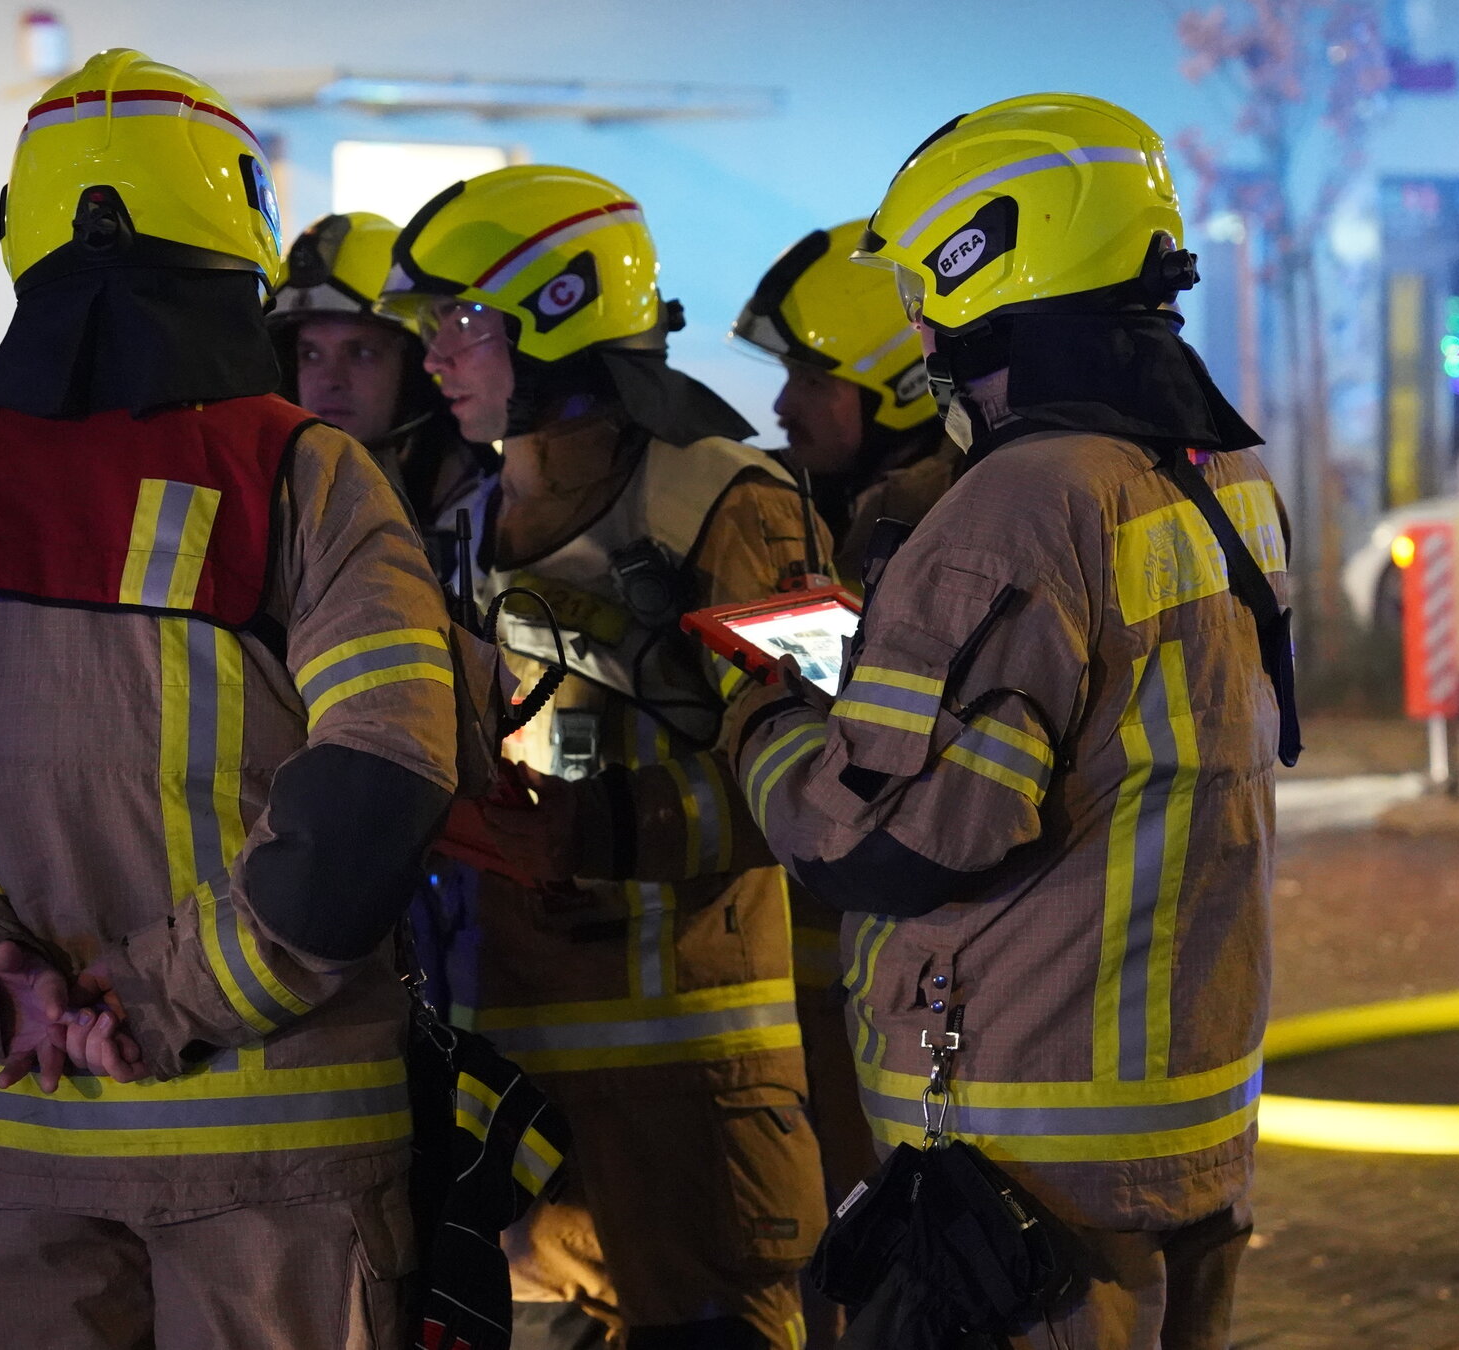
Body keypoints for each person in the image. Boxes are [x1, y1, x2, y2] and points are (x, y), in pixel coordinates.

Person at [0, 50, 458, 1348]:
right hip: (274, 1172)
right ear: (236, 232)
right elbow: (374, 793)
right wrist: (151, 999)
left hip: (11, 1151)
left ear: (26, 236)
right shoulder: (304, 475)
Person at [725, 93, 1294, 1349]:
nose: (920, 324)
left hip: (1023, 1151)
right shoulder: (1222, 471)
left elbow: (896, 840)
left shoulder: (1020, 503)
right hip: (1181, 1113)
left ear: (994, 264)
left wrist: (762, 724)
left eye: (930, 286)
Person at [378, 164, 828, 1350]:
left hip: (690, 1101)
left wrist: (595, 831)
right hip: (508, 1088)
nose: (437, 359)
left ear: (559, 312)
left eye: (462, 324)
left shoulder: (735, 510)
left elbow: (837, 777)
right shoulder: (464, 528)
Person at [733, 221, 967, 1228]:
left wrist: (759, 708)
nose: (781, 406)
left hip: (897, 979)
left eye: (809, 379)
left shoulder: (918, 528)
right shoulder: (853, 509)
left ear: (898, 387)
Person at [734, 219, 962, 587]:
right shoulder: (786, 498)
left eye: (812, 382)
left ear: (906, 387)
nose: (782, 406)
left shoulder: (959, 532)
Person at [271, 211, 493, 536]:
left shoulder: (495, 517)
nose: (330, 380)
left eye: (362, 353)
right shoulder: (265, 498)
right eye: (311, 354)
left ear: (415, 371)